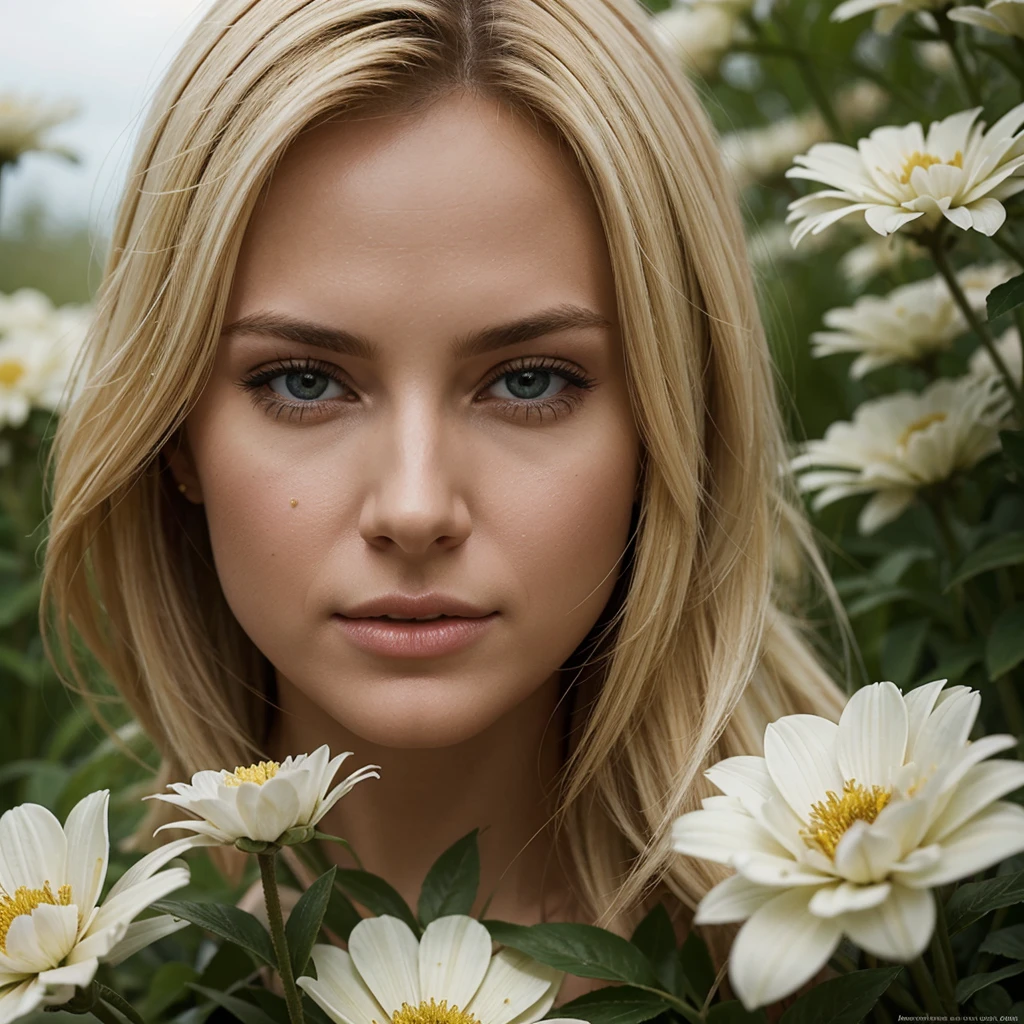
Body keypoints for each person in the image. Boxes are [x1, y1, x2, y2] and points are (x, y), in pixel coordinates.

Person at [39, 0, 848, 1008]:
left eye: (526, 380)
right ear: (172, 435)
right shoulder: (87, 976)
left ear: (673, 423)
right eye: (302, 380)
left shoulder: (891, 950)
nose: (416, 509)